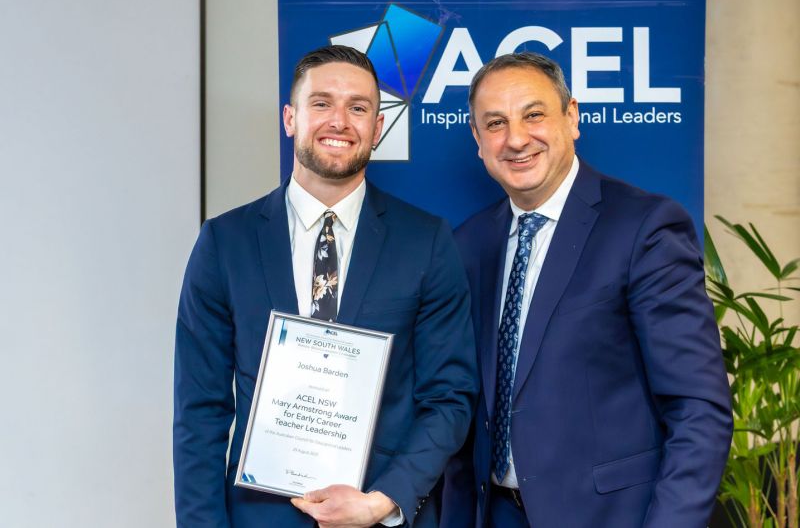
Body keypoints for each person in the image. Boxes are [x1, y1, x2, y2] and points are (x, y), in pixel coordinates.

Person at [174, 45, 477, 528]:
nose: (340, 121)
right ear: (290, 118)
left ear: (378, 128)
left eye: (358, 108)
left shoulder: (427, 241)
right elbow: (200, 410)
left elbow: (449, 398)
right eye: (321, 104)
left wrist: (383, 499)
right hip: (258, 518)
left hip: (380, 517)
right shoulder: (224, 242)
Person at [440, 52, 733, 528]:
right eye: (495, 123)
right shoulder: (469, 243)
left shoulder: (645, 228)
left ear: (571, 117)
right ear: (477, 139)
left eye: (533, 114)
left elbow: (698, 408)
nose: (515, 139)